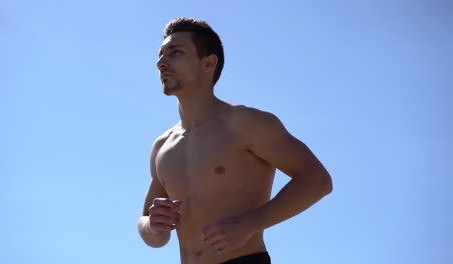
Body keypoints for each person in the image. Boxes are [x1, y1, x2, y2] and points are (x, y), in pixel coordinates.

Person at [137, 17, 333, 264]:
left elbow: (318, 180)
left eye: (175, 52)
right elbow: (150, 231)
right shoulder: (162, 146)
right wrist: (153, 226)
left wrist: (249, 224)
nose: (161, 63)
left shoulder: (243, 123)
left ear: (208, 63)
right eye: (161, 54)